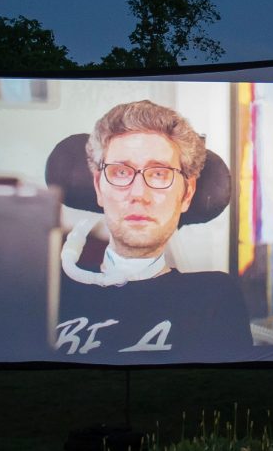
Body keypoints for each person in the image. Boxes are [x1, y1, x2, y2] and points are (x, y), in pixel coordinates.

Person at [58, 100, 251, 359]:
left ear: (187, 194)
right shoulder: (49, 288)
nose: (139, 194)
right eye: (121, 172)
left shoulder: (213, 296)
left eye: (159, 174)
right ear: (98, 187)